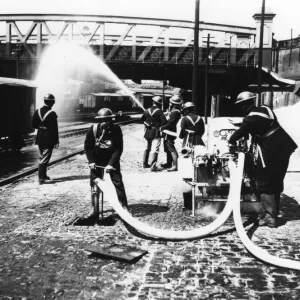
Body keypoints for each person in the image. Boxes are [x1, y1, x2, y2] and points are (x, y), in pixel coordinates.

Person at [229, 91, 298, 228]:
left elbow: (241, 132)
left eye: (241, 106)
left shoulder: (250, 119)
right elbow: (262, 123)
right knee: (276, 180)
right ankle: (273, 213)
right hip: (284, 146)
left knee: (264, 181)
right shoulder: (266, 108)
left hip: (270, 149)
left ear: (244, 105)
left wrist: (231, 141)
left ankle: (270, 218)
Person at [84, 108, 128, 220]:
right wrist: (91, 161)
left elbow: (118, 148)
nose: (104, 123)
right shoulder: (93, 129)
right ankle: (94, 208)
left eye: (107, 120)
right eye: (102, 120)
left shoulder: (116, 129)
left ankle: (124, 207)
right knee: (94, 184)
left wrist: (111, 164)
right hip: (97, 160)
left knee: (117, 182)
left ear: (111, 120)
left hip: (111, 159)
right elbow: (88, 147)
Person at [32, 93, 59, 185]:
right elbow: (54, 129)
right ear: (52, 102)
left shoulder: (37, 111)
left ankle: (43, 175)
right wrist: (56, 141)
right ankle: (41, 178)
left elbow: (34, 125)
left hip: (40, 137)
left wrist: (41, 127)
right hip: (49, 138)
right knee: (45, 158)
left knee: (41, 157)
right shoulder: (52, 113)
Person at [140, 96, 167, 172]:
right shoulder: (159, 111)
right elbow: (164, 122)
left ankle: (145, 164)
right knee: (155, 149)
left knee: (147, 148)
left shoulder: (146, 110)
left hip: (147, 131)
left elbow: (142, 120)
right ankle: (152, 166)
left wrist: (146, 124)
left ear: (153, 102)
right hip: (156, 132)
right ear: (159, 104)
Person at [160, 94, 182, 171]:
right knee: (167, 148)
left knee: (171, 148)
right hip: (168, 131)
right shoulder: (174, 111)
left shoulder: (176, 112)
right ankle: (169, 163)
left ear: (173, 103)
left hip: (170, 131)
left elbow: (170, 123)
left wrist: (162, 128)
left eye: (170, 102)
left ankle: (175, 165)